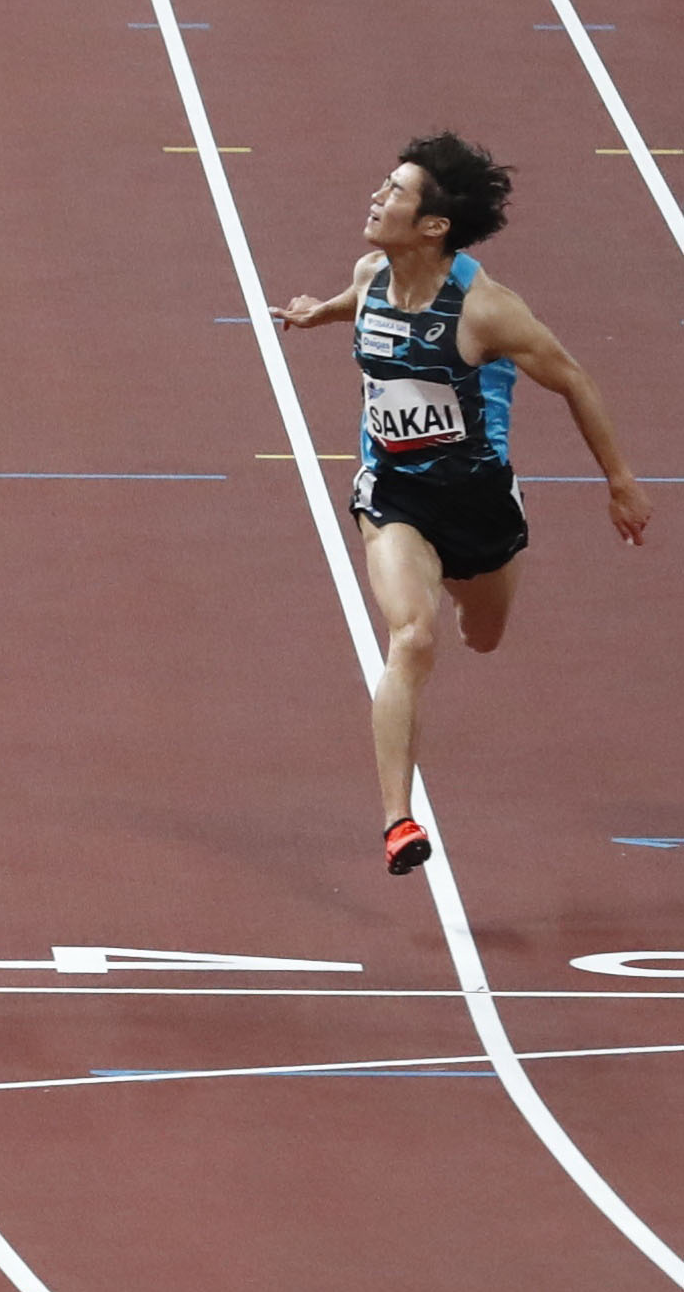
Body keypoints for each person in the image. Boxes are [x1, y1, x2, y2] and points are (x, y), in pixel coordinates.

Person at [274, 133, 649, 875]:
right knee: (412, 636)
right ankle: (396, 821)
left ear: (433, 226)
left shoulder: (487, 312)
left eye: (393, 193)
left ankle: (473, 594)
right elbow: (360, 302)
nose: (375, 198)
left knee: (482, 635)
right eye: (380, 185)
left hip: (479, 506)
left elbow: (572, 380)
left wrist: (619, 481)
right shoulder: (372, 270)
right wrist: (319, 312)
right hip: (393, 492)